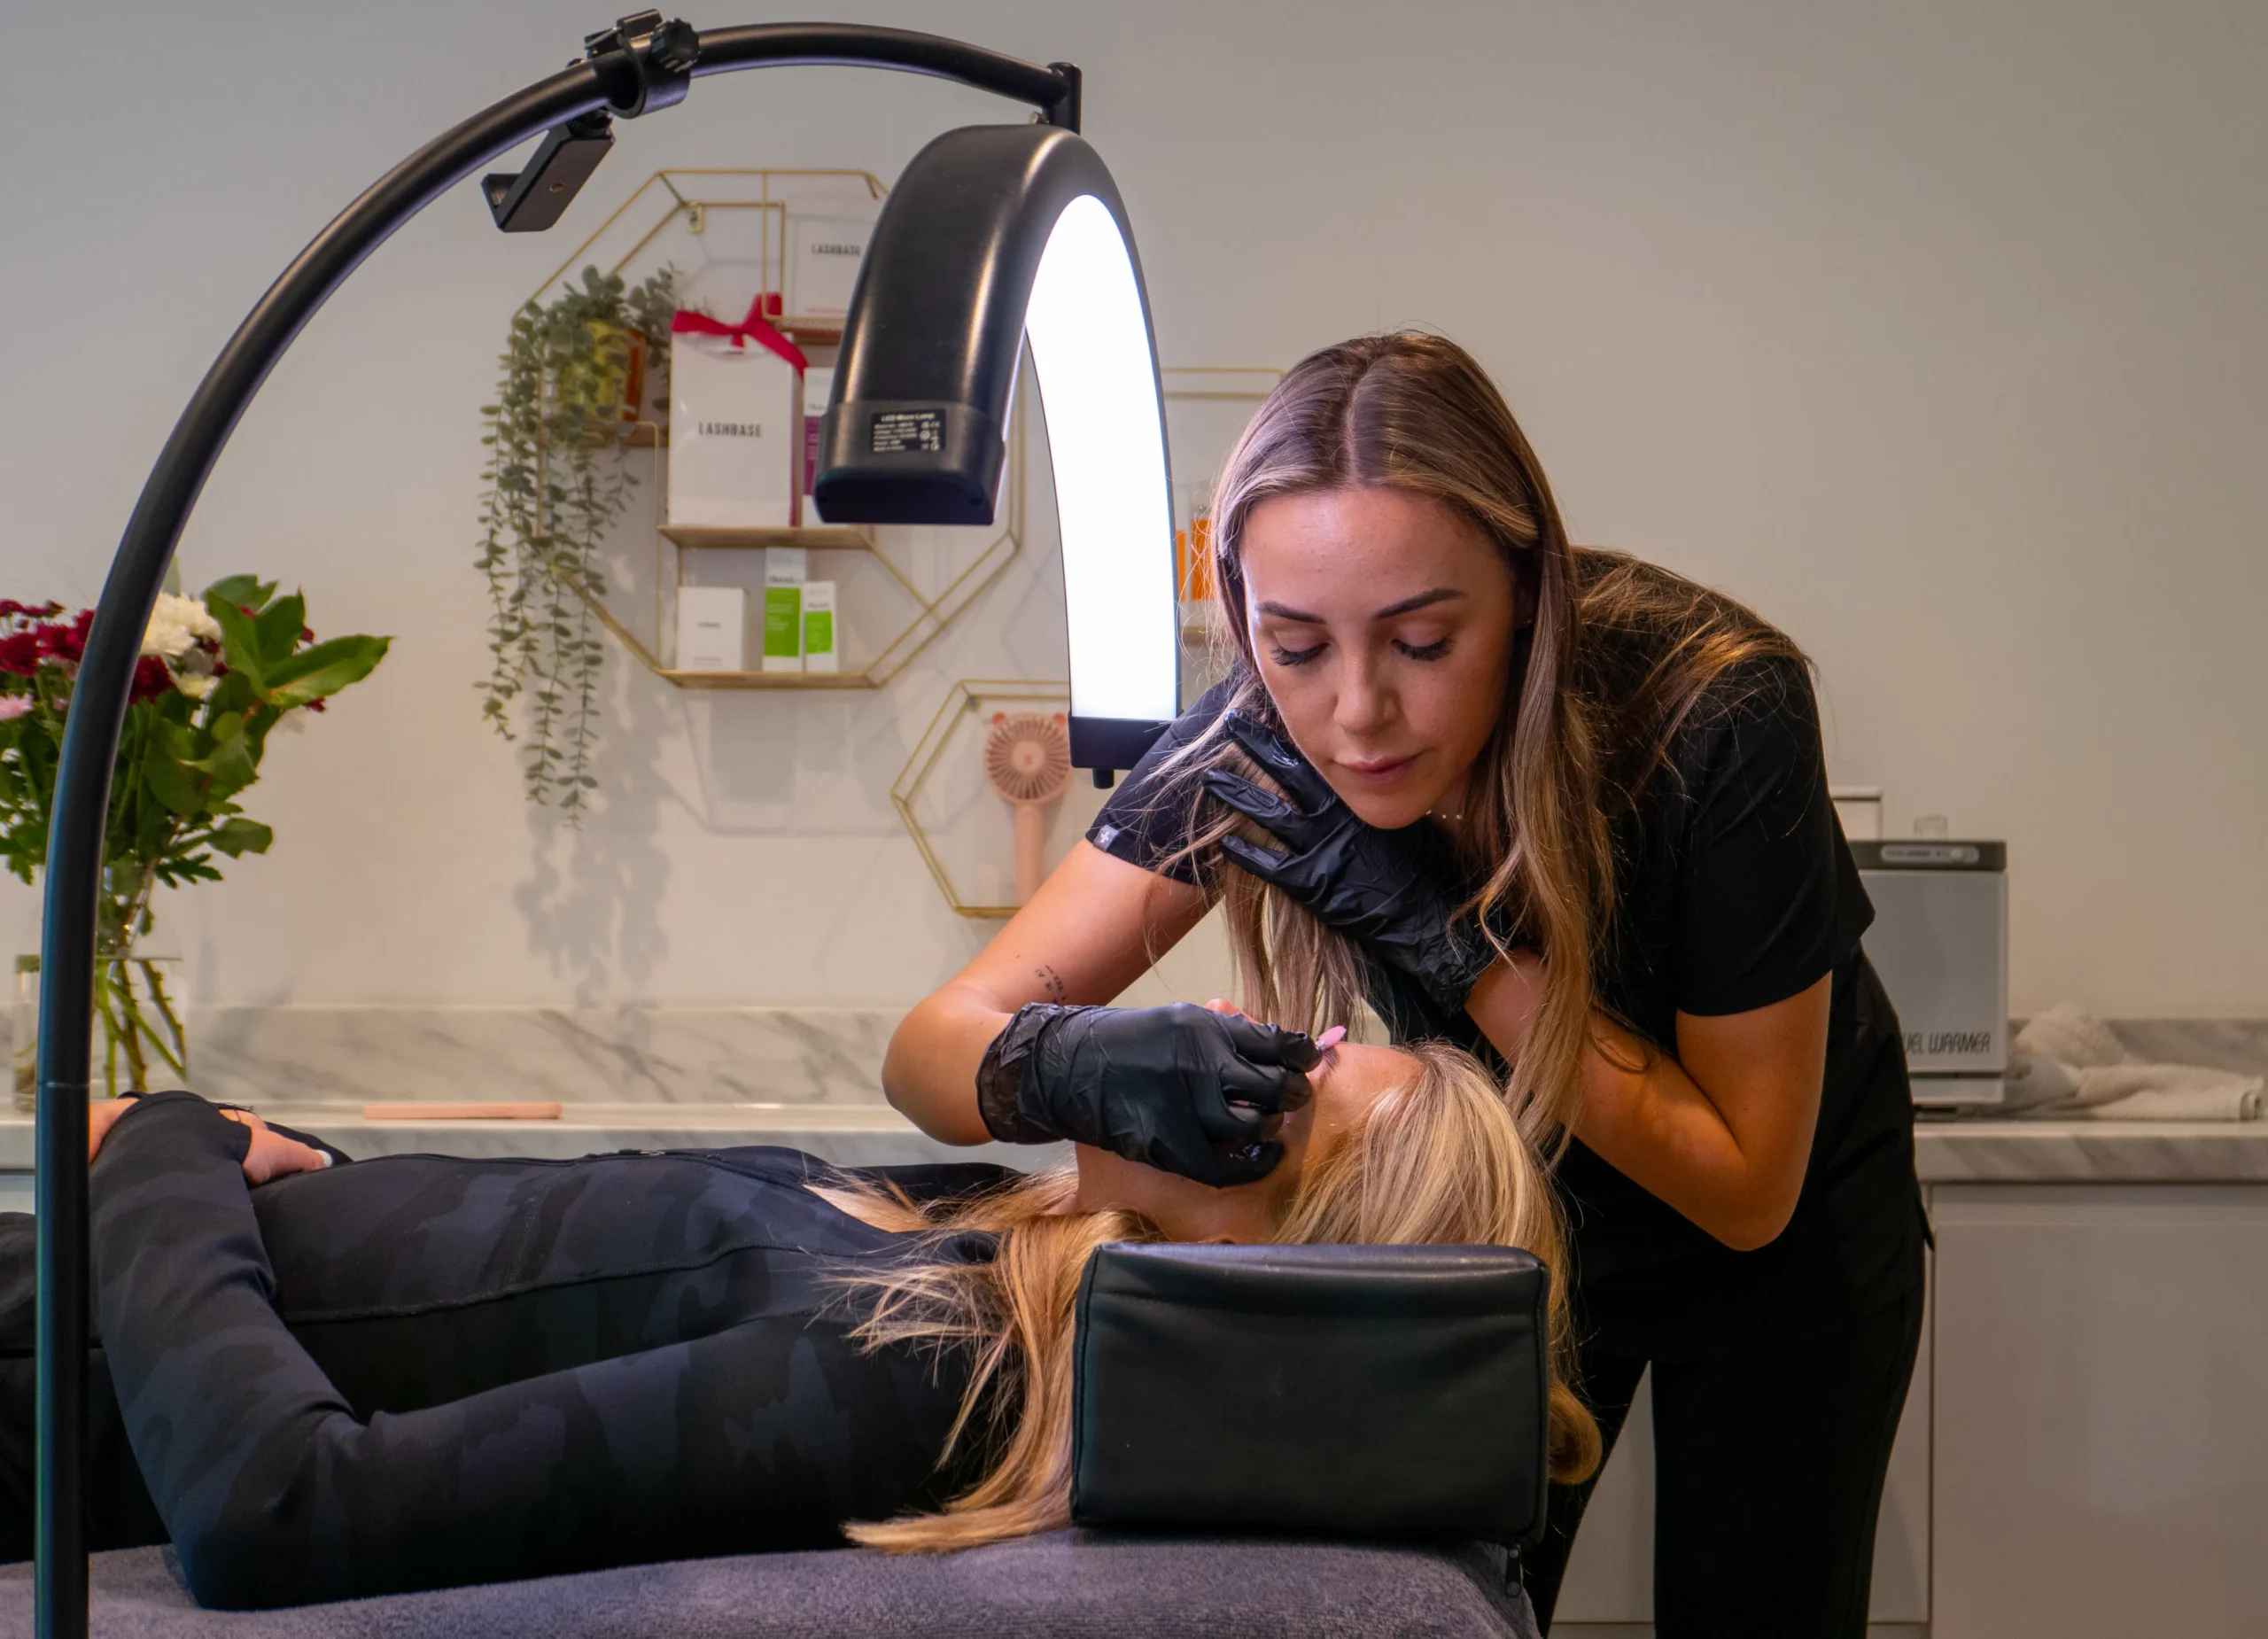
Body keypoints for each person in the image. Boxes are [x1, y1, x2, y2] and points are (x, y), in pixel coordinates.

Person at [884, 332, 1927, 1637]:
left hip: (1783, 1236)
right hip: (1506, 1215)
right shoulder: (1255, 749)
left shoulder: (1715, 716)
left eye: (1423, 641)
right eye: (1297, 643)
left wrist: (1447, 941)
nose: (1357, 712)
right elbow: (931, 1049)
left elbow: (1743, 1185)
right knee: (1449, 1605)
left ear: (1529, 601)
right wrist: (1064, 1060)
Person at [0, 1021, 1596, 1611]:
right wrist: (319, 1176)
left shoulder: (924, 1369)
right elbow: (548, 1280)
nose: (1227, 1042)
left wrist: (164, 1149)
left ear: (1276, 1263)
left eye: (1288, 1086)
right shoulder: (990, 1236)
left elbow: (274, 1508)